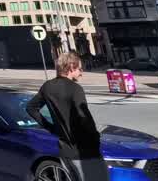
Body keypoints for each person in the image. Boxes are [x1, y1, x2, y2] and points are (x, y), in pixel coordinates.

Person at [27, 52, 108, 181]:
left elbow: (31, 108)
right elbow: (84, 118)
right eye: (79, 69)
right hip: (85, 151)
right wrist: (96, 138)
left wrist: (52, 128)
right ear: (71, 67)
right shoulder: (75, 89)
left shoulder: (47, 87)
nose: (81, 73)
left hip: (65, 152)